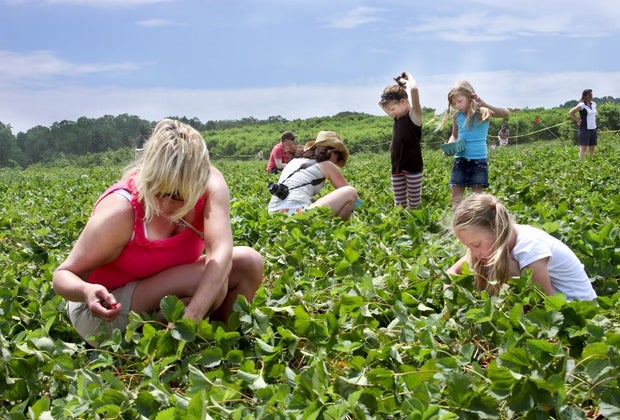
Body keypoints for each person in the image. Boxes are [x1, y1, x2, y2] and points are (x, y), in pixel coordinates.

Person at [53, 119, 264, 346]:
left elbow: (220, 251)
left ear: (199, 181)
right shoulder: (120, 211)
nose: (164, 205)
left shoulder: (211, 184)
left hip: (160, 292)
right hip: (102, 313)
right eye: (157, 190)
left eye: (178, 195)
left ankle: (219, 342)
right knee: (207, 280)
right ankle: (170, 344)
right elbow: (62, 276)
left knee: (248, 262)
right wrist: (86, 290)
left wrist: (193, 314)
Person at [447, 193, 597, 301]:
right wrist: (449, 299)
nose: (473, 252)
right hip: (555, 300)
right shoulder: (501, 237)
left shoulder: (529, 249)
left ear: (497, 230)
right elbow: (451, 272)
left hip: (577, 309)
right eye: (468, 246)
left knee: (509, 267)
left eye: (476, 245)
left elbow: (546, 303)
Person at [435, 80, 509, 208]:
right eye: (454, 103)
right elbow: (455, 135)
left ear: (470, 97)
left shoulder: (483, 112)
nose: (457, 105)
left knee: (477, 199)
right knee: (456, 198)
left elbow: (506, 113)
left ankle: (475, 223)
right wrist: (450, 145)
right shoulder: (457, 116)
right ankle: (457, 223)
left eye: (459, 101)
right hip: (460, 159)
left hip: (478, 161)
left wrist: (483, 103)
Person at [267, 130, 359, 220]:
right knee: (350, 192)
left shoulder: (295, 161)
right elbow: (354, 198)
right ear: (331, 152)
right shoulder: (327, 165)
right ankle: (335, 227)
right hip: (296, 214)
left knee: (313, 201)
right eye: (338, 156)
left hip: (274, 215)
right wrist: (364, 208)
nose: (336, 162)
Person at [378, 71, 423, 208]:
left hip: (413, 167)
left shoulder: (414, 115)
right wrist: (399, 87)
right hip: (396, 167)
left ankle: (417, 225)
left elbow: (414, 89)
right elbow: (381, 104)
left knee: (414, 203)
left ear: (403, 102)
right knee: (399, 204)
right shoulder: (397, 117)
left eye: (392, 109)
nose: (391, 113)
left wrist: (408, 77)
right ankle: (401, 225)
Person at [569, 89, 597, 158]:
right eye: (589, 95)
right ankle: (582, 163)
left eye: (591, 94)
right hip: (585, 129)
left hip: (593, 128)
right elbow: (571, 112)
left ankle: (592, 161)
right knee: (583, 148)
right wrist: (577, 120)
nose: (591, 96)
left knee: (592, 147)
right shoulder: (582, 105)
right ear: (585, 96)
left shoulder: (594, 104)